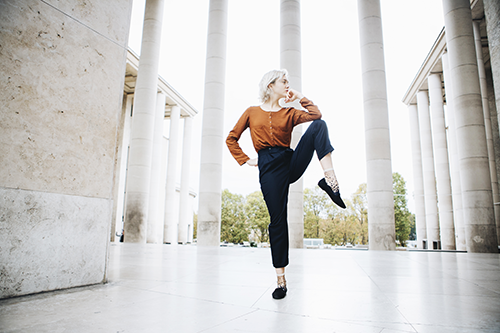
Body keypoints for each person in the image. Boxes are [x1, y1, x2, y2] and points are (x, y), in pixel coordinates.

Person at [226, 69, 345, 300]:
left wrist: (299, 95)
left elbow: (315, 114)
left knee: (320, 126)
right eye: (284, 81)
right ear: (270, 85)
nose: (287, 84)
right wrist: (247, 159)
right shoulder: (251, 112)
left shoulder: (290, 112)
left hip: (289, 161)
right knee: (277, 221)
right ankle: (281, 280)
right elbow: (231, 138)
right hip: (269, 168)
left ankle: (330, 181)